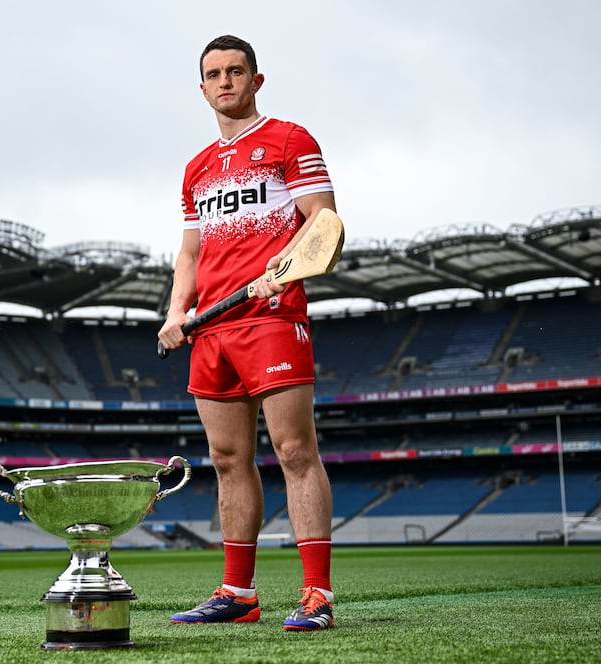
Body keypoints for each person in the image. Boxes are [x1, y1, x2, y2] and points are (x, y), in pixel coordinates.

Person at [157, 35, 337, 632]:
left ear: (256, 80)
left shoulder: (290, 140)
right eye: (214, 74)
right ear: (202, 87)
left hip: (271, 318)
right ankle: (238, 593)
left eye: (237, 71)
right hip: (212, 328)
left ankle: (317, 595)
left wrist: (280, 272)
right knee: (228, 459)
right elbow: (190, 252)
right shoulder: (197, 168)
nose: (225, 81)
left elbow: (325, 224)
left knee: (294, 451)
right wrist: (175, 312)